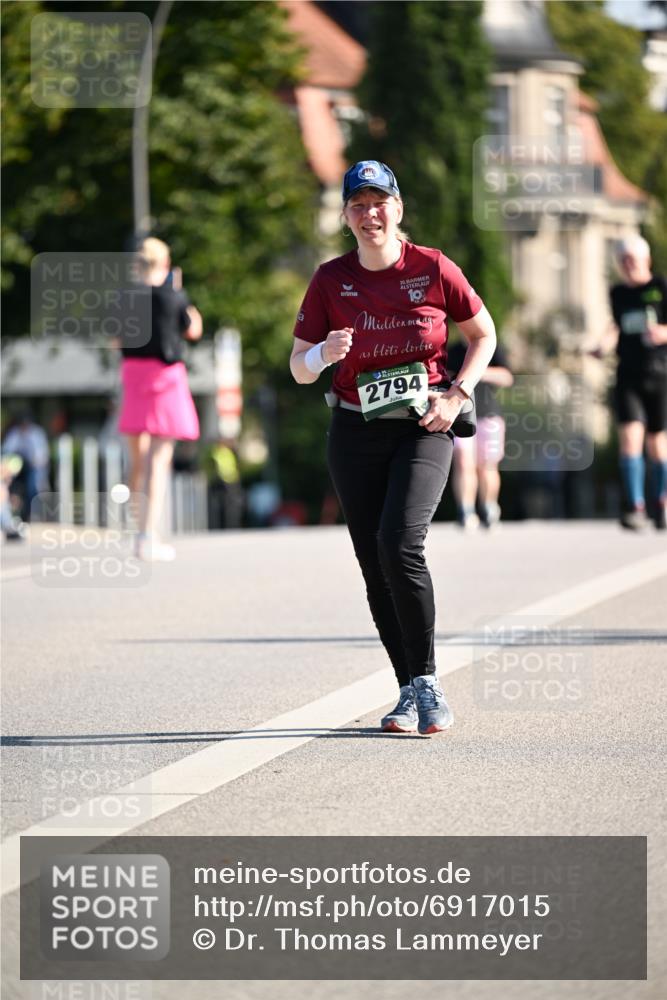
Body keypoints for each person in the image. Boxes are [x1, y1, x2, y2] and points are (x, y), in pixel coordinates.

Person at [290, 160, 496, 735]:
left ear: (398, 209)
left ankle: (428, 681)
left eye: (379, 203)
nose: (370, 214)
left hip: (422, 426)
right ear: (345, 217)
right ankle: (407, 689)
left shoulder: (431, 267)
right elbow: (298, 368)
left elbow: (484, 334)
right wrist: (323, 354)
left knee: (399, 544)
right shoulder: (330, 279)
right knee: (372, 565)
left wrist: (457, 394)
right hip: (353, 430)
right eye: (358, 205)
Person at [116, 237, 203, 560]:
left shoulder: (123, 297)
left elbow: (115, 340)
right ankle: (147, 538)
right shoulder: (173, 295)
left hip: (133, 376)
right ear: (165, 265)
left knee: (137, 460)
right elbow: (193, 329)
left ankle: (137, 530)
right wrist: (178, 292)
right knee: (159, 459)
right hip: (166, 378)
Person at [593, 235, 667, 530]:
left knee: (657, 443)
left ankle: (661, 502)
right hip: (629, 374)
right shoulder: (618, 293)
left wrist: (663, 333)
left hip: (660, 373)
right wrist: (604, 344)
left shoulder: (660, 287)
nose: (628, 265)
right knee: (630, 440)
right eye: (623, 261)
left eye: (633, 260)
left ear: (646, 260)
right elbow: (616, 326)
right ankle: (634, 506)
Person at [446, 339, 513, 529]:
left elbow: (507, 377)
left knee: (487, 466)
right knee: (463, 462)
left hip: (489, 415)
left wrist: (476, 371)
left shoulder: (492, 346)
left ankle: (489, 508)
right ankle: (465, 511)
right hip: (461, 415)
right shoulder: (453, 350)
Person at [2, 412, 50, 521]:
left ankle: (31, 513)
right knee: (6, 484)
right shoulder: (14, 433)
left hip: (34, 467)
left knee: (32, 486)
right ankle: (11, 513)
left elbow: (41, 456)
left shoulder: (37, 433)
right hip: (18, 468)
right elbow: (7, 450)